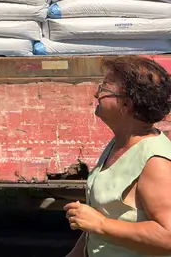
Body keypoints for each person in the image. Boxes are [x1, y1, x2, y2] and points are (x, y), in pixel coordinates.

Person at [64, 56, 171, 257]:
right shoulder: (119, 143)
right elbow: (103, 216)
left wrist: (101, 224)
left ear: (126, 104)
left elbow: (168, 237)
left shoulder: (155, 161)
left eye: (104, 89)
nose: (97, 95)